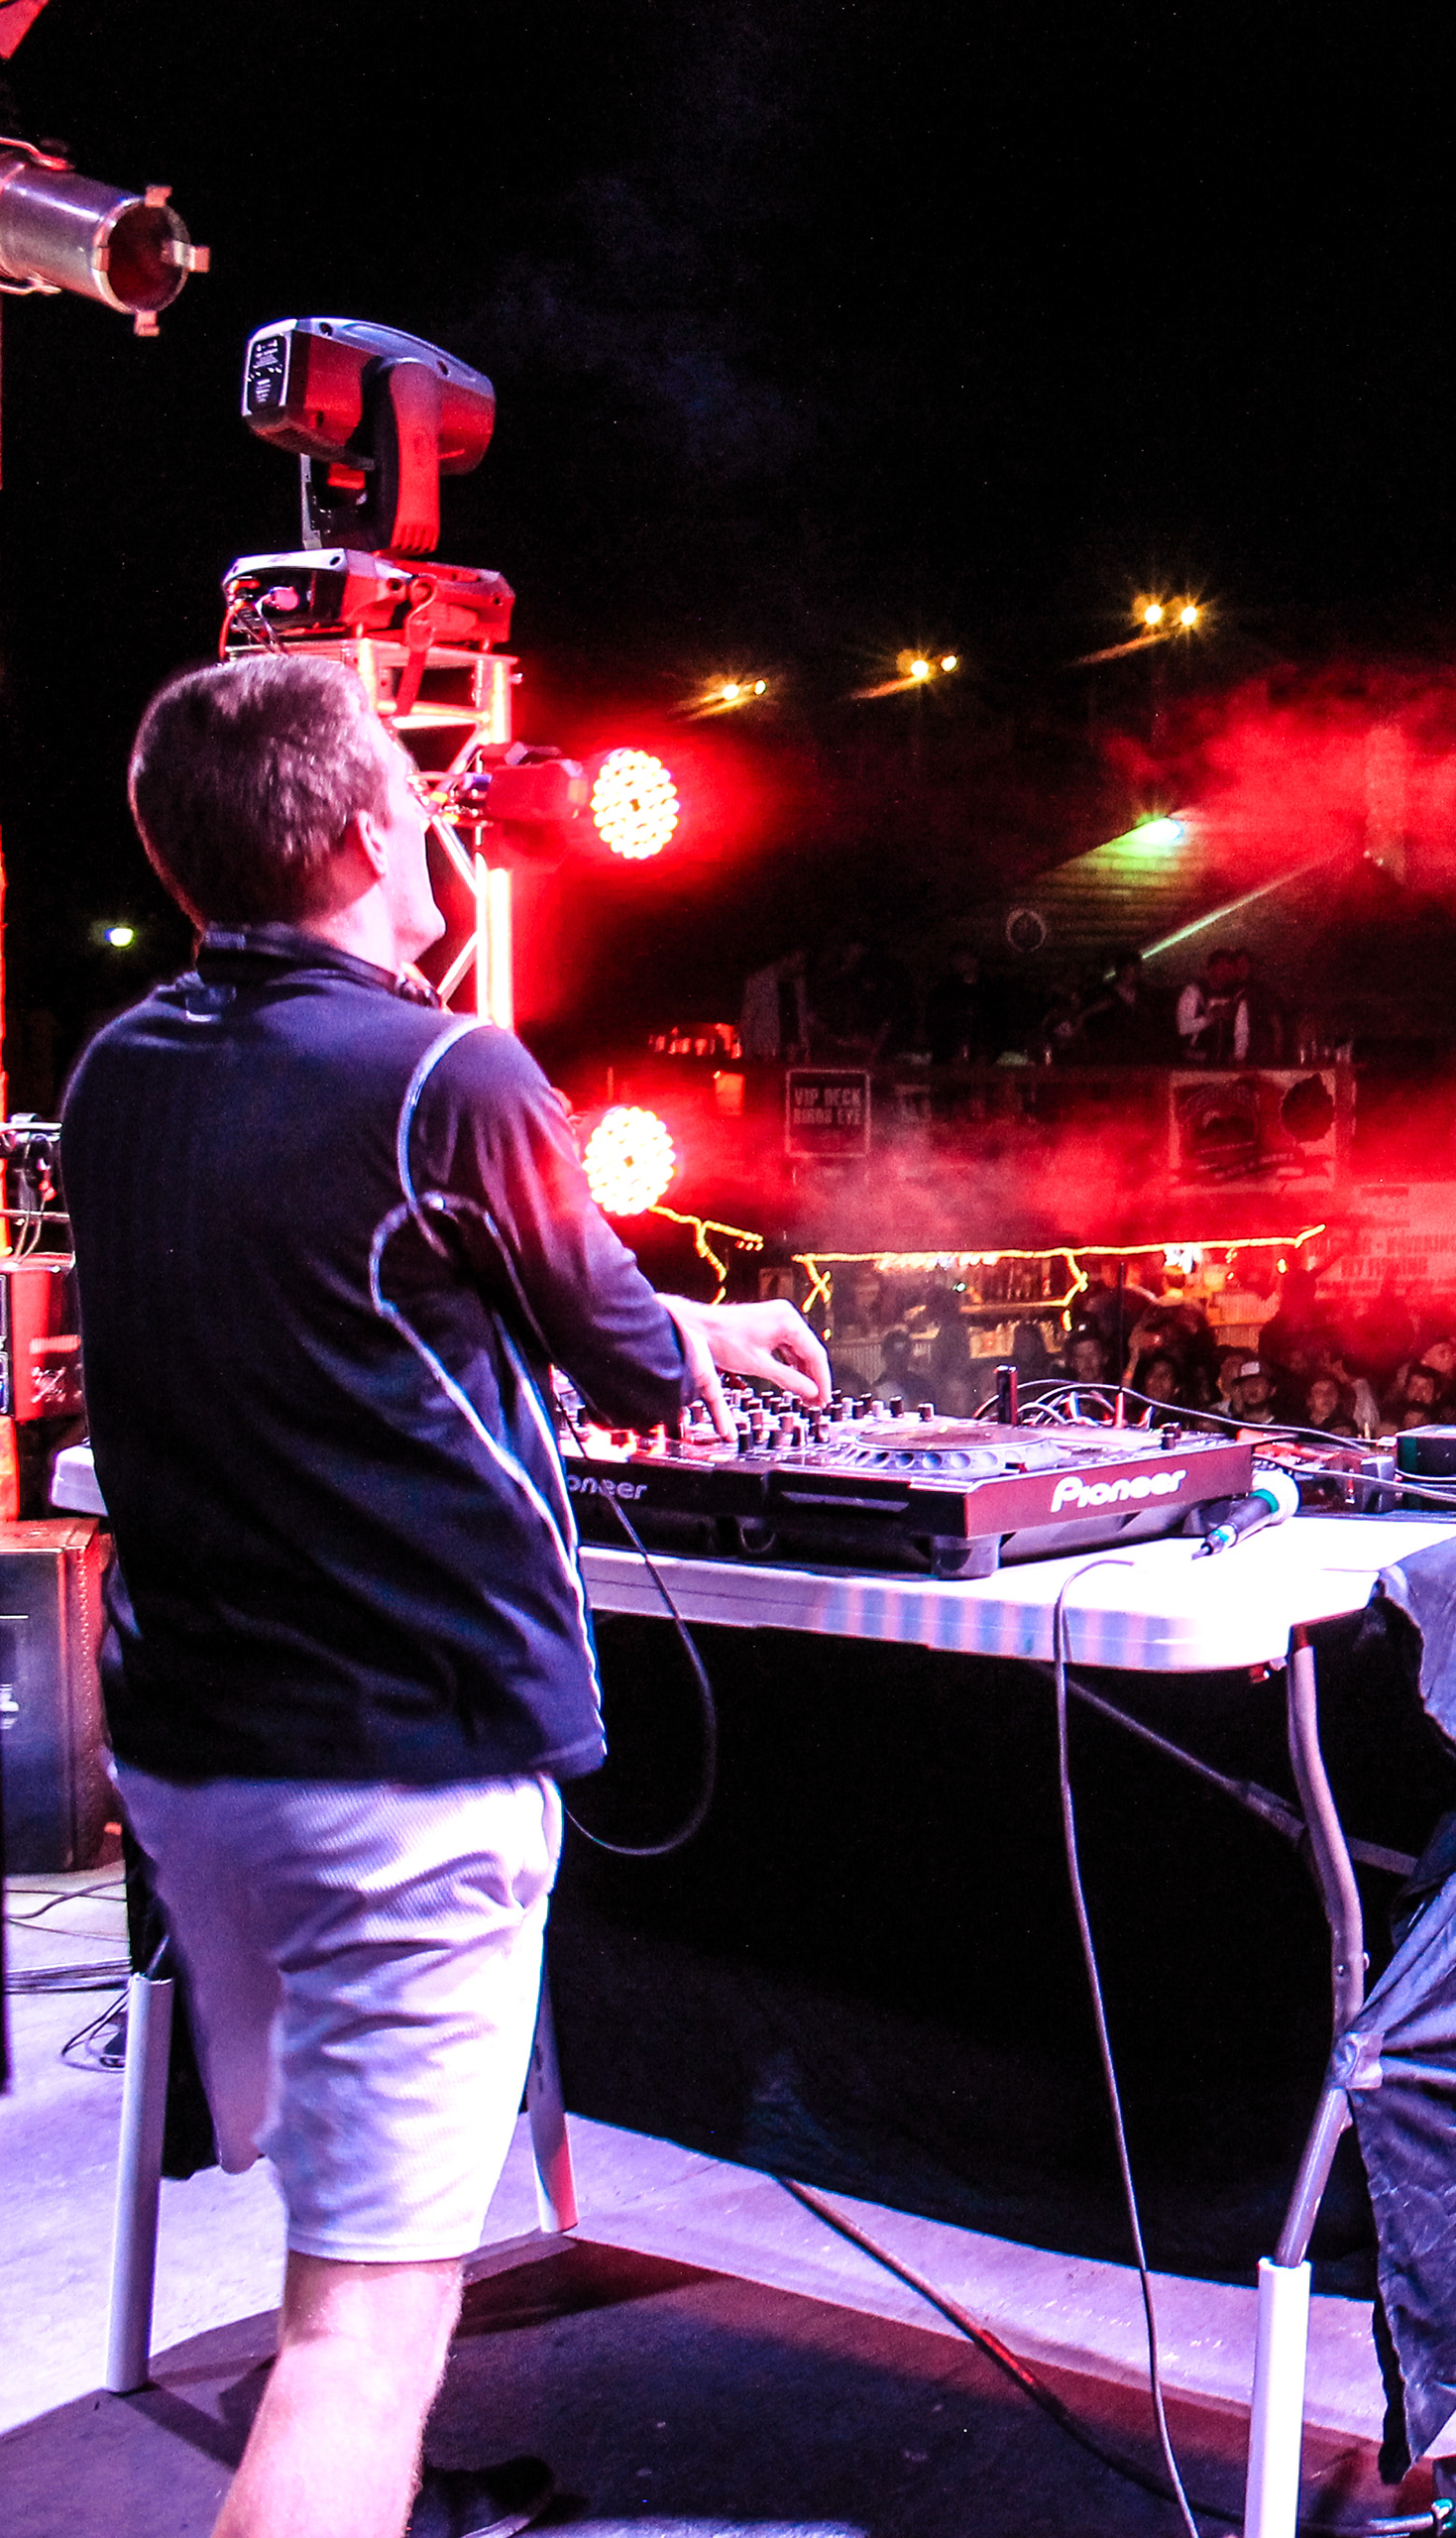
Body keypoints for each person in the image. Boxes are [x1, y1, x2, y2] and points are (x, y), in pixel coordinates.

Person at [66, 654, 835, 2538]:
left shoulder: (118, 1072)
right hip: (396, 1774)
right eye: (419, 810)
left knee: (340, 2213)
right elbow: (621, 1356)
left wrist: (675, 1319)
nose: (445, 842)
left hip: (192, 1763)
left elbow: (336, 1299)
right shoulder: (448, 1072)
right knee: (366, 2334)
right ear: (356, 837)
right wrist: (687, 1332)